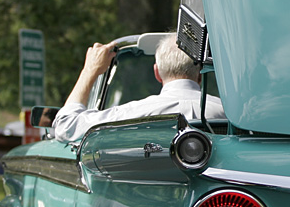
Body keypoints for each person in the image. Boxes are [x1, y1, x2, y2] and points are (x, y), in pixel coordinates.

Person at [52, 37, 225, 144]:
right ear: (200, 75)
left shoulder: (131, 114)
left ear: (157, 73)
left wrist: (89, 71)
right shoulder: (230, 116)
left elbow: (66, 125)